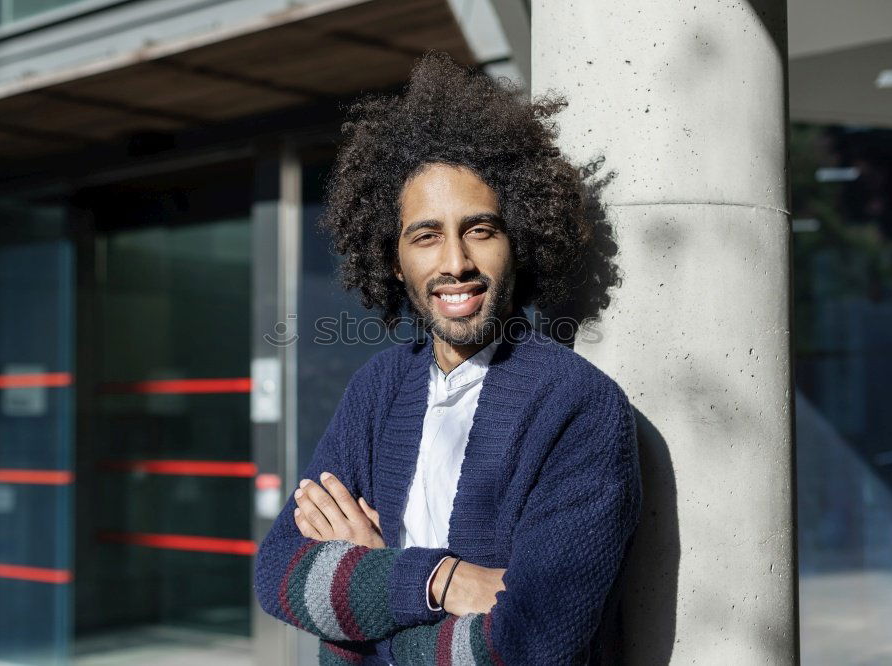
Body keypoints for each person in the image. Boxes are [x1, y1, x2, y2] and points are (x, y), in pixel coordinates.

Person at [253, 50, 642, 665]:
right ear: (391, 258)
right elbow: (278, 571)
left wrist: (368, 584)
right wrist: (441, 580)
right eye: (426, 235)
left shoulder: (577, 407)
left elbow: (530, 648)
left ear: (519, 242)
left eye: (481, 230)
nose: (455, 261)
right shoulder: (378, 389)